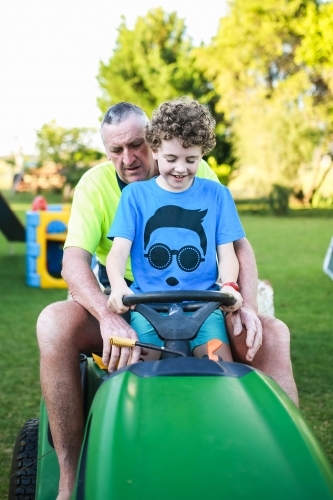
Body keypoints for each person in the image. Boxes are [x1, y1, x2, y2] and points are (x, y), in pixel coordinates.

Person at [36, 101, 298, 500]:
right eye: (116, 150)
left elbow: (238, 247)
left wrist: (245, 305)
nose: (129, 158)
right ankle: (71, 478)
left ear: (154, 141)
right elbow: (74, 262)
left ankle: (285, 469)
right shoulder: (98, 185)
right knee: (53, 324)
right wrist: (108, 315)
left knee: (273, 334)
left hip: (205, 295)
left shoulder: (195, 172)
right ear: (107, 152)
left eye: (137, 145)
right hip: (122, 296)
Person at [106, 97, 244, 362]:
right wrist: (117, 287)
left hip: (204, 309)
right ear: (155, 149)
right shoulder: (135, 196)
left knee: (219, 369)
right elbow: (118, 251)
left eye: (191, 159)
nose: (181, 169)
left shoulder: (217, 195)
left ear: (202, 153)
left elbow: (227, 253)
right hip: (147, 308)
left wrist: (229, 286)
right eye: (171, 158)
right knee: (139, 373)